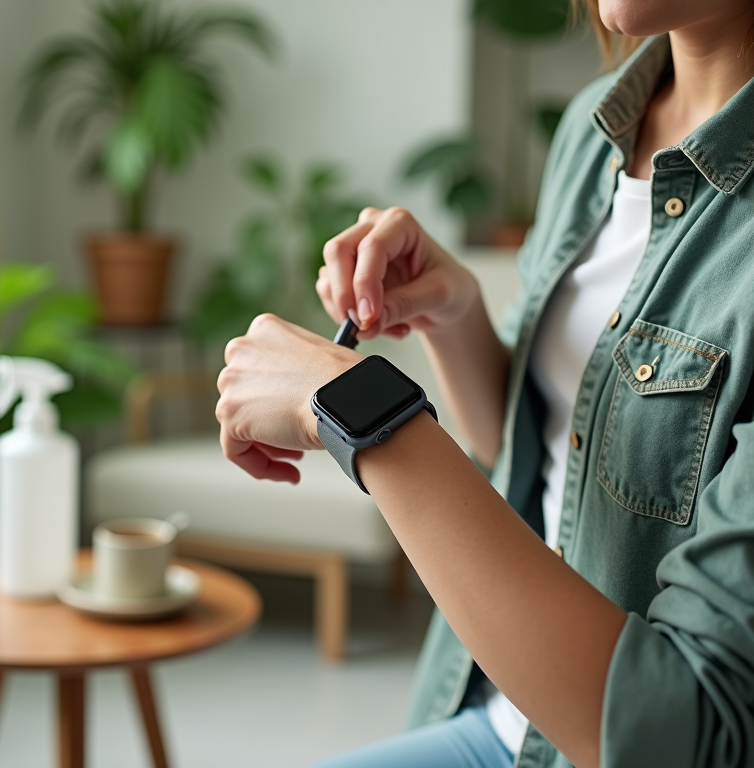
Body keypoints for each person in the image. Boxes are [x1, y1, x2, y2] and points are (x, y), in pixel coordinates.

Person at [213, 0, 754, 766]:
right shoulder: (594, 132)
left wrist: (354, 407)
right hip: (495, 721)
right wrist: (457, 313)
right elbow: (535, 453)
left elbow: (691, 734)